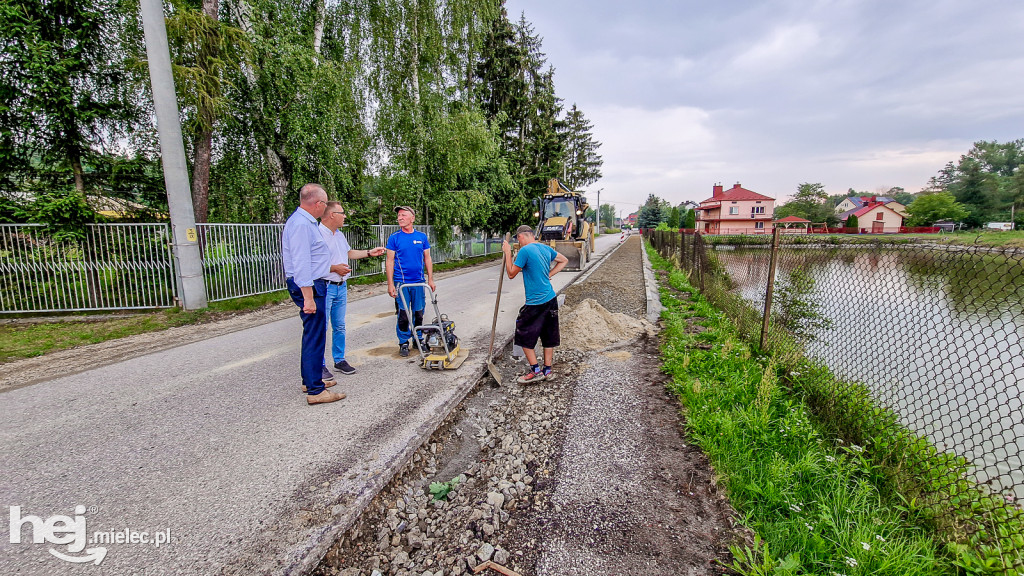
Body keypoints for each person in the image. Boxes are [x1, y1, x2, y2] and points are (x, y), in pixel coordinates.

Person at [282, 183, 344, 405]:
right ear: (318, 204)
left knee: (312, 334)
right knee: (315, 336)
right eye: (325, 204)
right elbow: (301, 263)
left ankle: (311, 381)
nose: (325, 208)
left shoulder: (304, 222)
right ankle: (316, 391)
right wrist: (308, 297)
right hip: (309, 286)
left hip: (313, 284)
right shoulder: (301, 225)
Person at [319, 202, 385, 375]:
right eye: (342, 213)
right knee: (321, 327)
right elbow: (313, 263)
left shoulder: (339, 234)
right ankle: (320, 364)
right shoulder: (317, 234)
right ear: (332, 214)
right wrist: (334, 269)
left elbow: (348, 253)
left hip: (341, 286)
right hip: (325, 287)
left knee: (339, 326)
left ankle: (339, 360)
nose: (345, 216)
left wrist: (369, 253)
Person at [501, 224, 569, 383]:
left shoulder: (525, 251)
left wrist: (508, 253)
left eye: (519, 240)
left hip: (535, 303)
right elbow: (563, 260)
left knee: (523, 334)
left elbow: (511, 273)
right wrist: (548, 275)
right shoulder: (545, 249)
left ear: (521, 237)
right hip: (551, 299)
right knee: (548, 335)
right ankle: (547, 370)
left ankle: (535, 371)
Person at [385, 206, 435, 357]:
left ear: (412, 218)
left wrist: (430, 279)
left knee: (418, 312)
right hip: (402, 283)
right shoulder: (394, 238)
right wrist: (390, 284)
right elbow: (389, 261)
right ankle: (403, 342)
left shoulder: (421, 237)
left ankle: (418, 339)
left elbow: (427, 258)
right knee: (404, 314)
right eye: (399, 216)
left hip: (419, 282)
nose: (400, 218)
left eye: (403, 215)